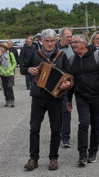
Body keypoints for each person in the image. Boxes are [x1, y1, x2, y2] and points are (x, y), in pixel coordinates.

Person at [20, 29, 71, 171]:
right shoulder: (36, 54)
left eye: (52, 41)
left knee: (55, 129)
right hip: (38, 98)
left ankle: (53, 158)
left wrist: (67, 83)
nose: (49, 44)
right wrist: (29, 70)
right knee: (34, 128)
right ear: (41, 41)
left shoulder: (61, 56)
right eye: (47, 41)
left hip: (55, 98)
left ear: (56, 41)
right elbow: (23, 69)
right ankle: (33, 158)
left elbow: (69, 75)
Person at [67, 34, 99, 166]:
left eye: (76, 42)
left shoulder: (96, 56)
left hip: (97, 96)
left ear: (84, 44)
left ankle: (93, 152)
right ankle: (82, 154)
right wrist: (69, 100)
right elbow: (70, 82)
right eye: (72, 42)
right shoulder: (72, 60)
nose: (73, 44)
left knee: (95, 124)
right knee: (83, 123)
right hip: (81, 97)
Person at [57, 27, 74, 148]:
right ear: (61, 36)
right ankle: (57, 134)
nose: (70, 39)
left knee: (66, 109)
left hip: (69, 84)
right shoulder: (53, 48)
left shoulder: (73, 48)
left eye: (71, 36)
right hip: (55, 85)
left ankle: (65, 137)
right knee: (56, 112)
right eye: (68, 36)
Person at [0, 42, 17, 107]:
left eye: (2, 47)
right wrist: (1, 69)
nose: (1, 49)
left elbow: (14, 63)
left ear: (5, 48)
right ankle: (7, 100)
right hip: (3, 74)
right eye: (0, 47)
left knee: (9, 87)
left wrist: (10, 69)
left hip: (10, 73)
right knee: (5, 88)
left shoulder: (10, 54)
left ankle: (12, 100)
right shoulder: (1, 56)